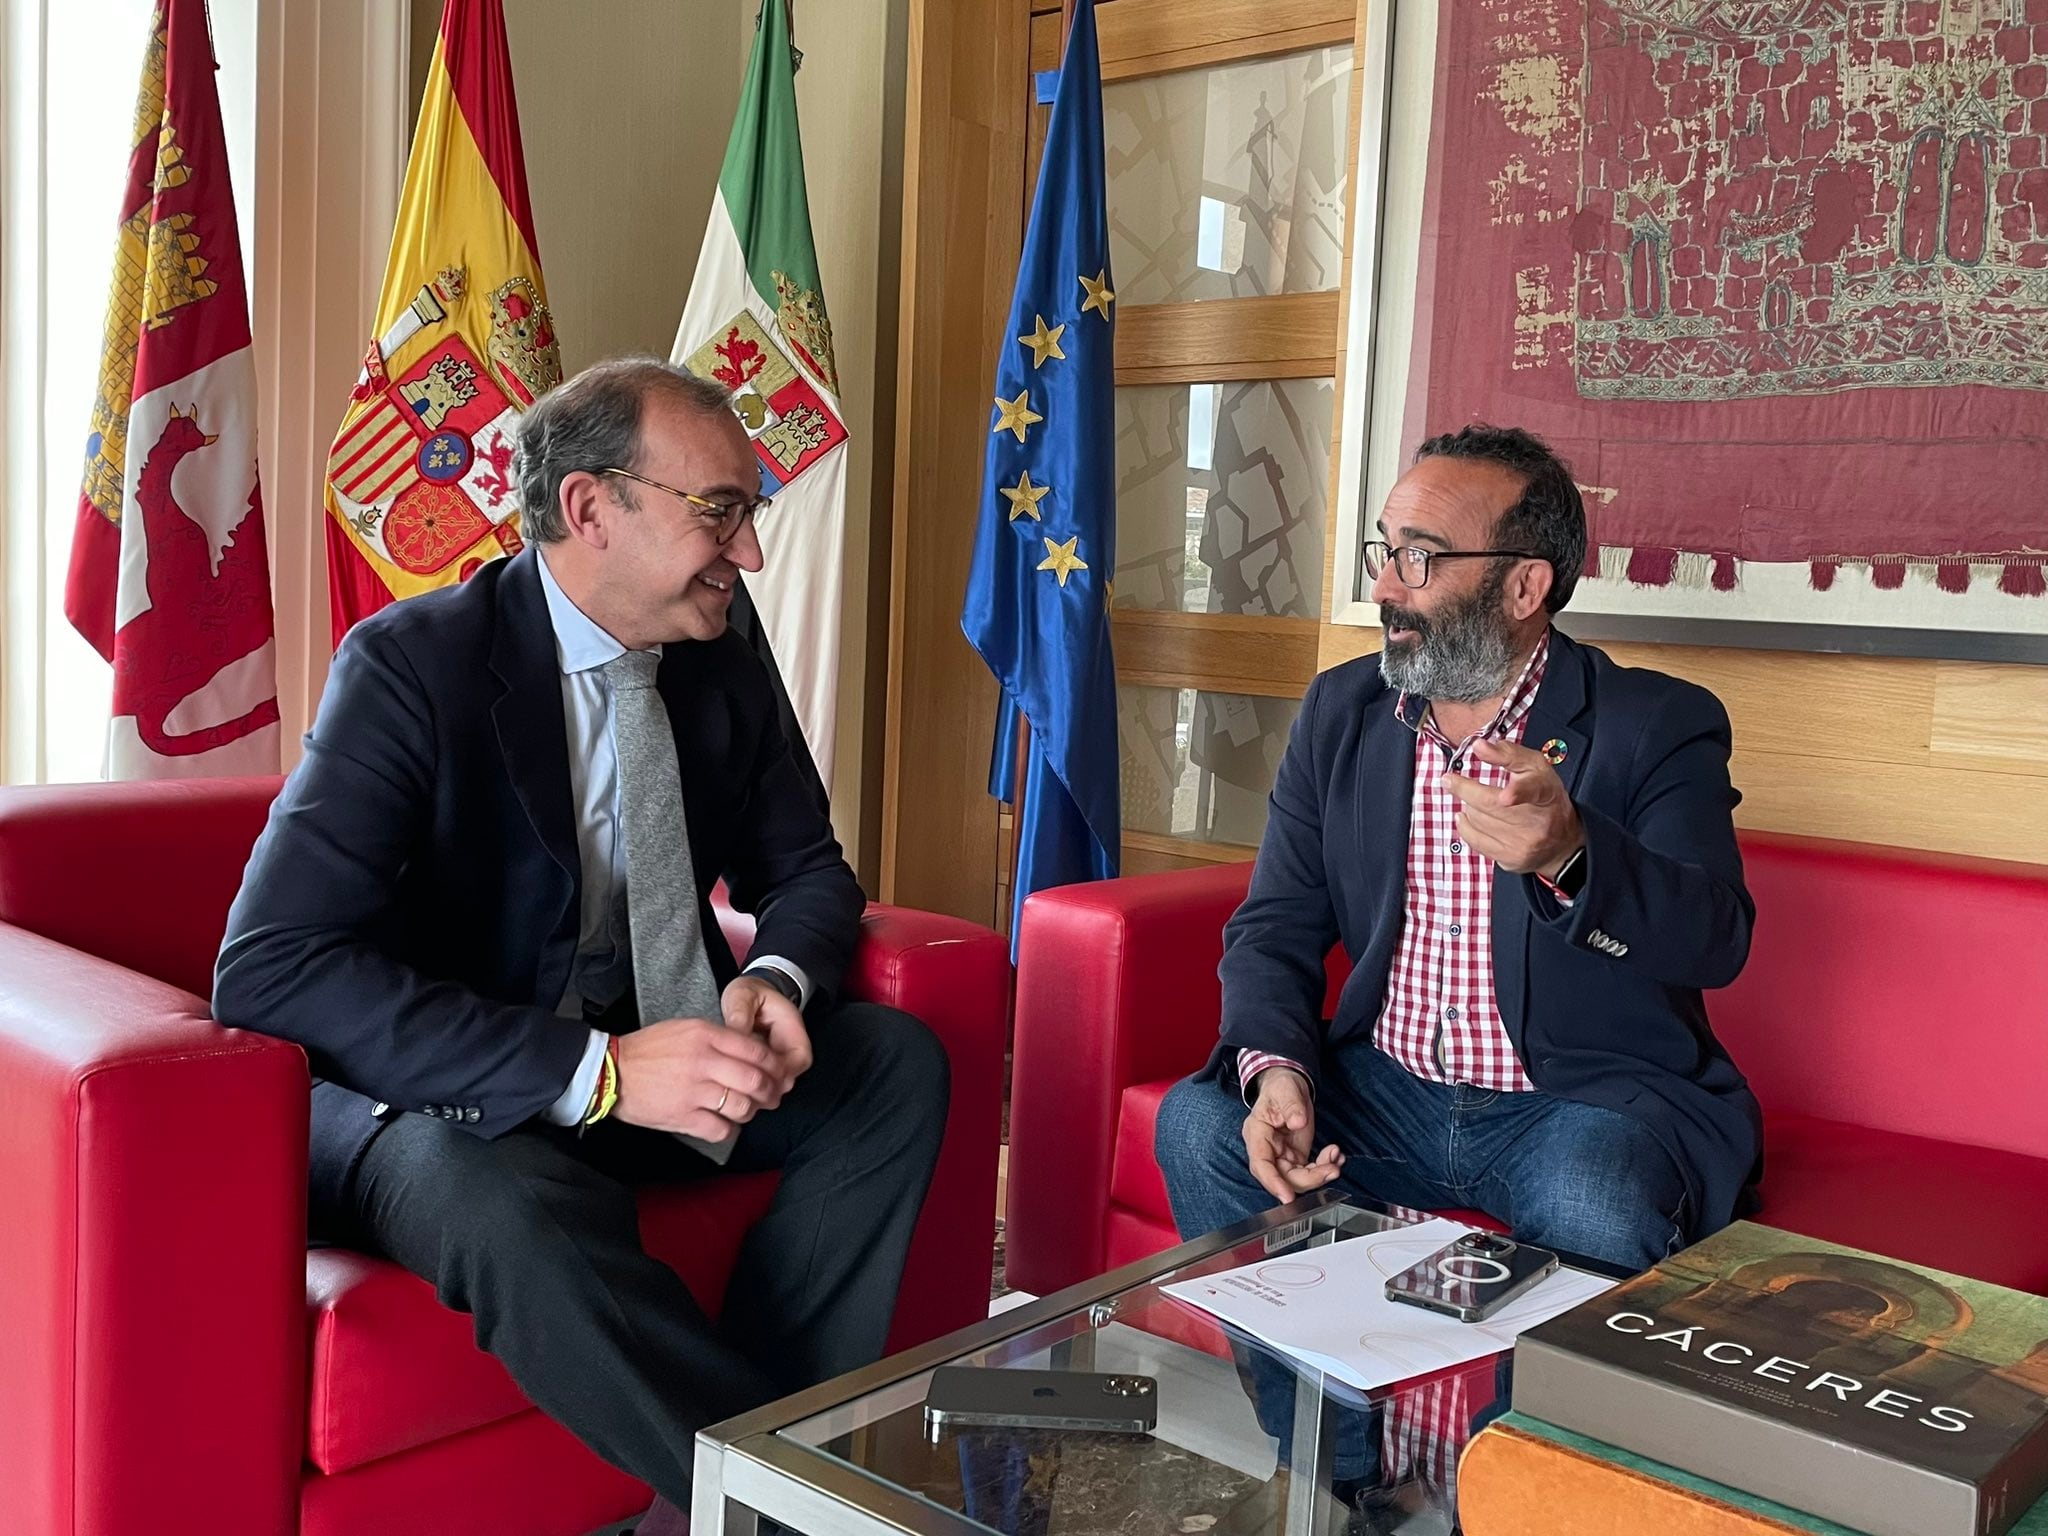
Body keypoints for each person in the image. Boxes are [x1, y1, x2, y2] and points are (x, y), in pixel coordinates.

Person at [214, 358, 949, 1534]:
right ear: (590, 510)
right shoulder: (412, 665)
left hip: (657, 1054)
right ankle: (804, 1508)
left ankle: (723, 1487)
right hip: (439, 1105)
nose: (749, 553)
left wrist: (769, 978)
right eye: (721, 511)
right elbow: (271, 966)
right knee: (505, 1204)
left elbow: (805, 868)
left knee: (893, 1070)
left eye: (748, 513)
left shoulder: (717, 640)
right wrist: (596, 1072)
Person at [1155, 425, 1760, 1527]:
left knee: (1592, 1192)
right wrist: (1276, 1070)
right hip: (1384, 1088)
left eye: (1419, 557)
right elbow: (1277, 922)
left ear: (1525, 584)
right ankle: (1334, 1481)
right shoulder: (1344, 714)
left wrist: (1572, 854)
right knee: (1200, 1126)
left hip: (1570, 1103)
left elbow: (1716, 936)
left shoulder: (1649, 724)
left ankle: (1505, 1498)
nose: (1385, 585)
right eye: (1382, 550)